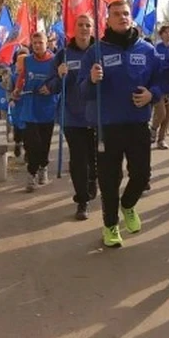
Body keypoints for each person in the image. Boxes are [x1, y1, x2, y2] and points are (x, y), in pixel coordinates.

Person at [80, 0, 165, 248]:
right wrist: (92, 80)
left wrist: (153, 95)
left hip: (138, 124)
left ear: (132, 18)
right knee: (109, 179)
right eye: (116, 14)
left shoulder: (147, 50)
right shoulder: (95, 53)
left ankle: (127, 205)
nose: (122, 17)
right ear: (107, 20)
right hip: (107, 126)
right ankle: (110, 224)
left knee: (141, 175)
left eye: (126, 13)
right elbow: (81, 92)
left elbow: (162, 81)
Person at [50, 14, 98, 220]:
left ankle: (92, 181)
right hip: (73, 116)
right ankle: (82, 200)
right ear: (74, 28)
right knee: (79, 159)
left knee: (95, 158)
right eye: (80, 25)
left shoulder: (100, 52)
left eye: (88, 25)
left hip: (97, 116)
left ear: (93, 28)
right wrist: (59, 75)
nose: (84, 28)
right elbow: (52, 86)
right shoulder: (63, 54)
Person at [11, 33, 58, 191]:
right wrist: (17, 89)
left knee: (44, 143)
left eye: (41, 42)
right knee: (32, 143)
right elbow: (22, 76)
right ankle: (31, 173)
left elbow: (59, 80)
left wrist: (50, 87)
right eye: (35, 43)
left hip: (47, 107)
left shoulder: (54, 60)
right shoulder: (28, 60)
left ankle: (43, 167)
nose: (38, 45)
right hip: (30, 106)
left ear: (47, 43)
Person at [150, 24, 169, 150]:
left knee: (168, 117)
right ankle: (153, 129)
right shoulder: (156, 49)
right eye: (165, 32)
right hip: (159, 87)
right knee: (161, 113)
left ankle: (161, 140)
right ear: (161, 35)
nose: (168, 34)